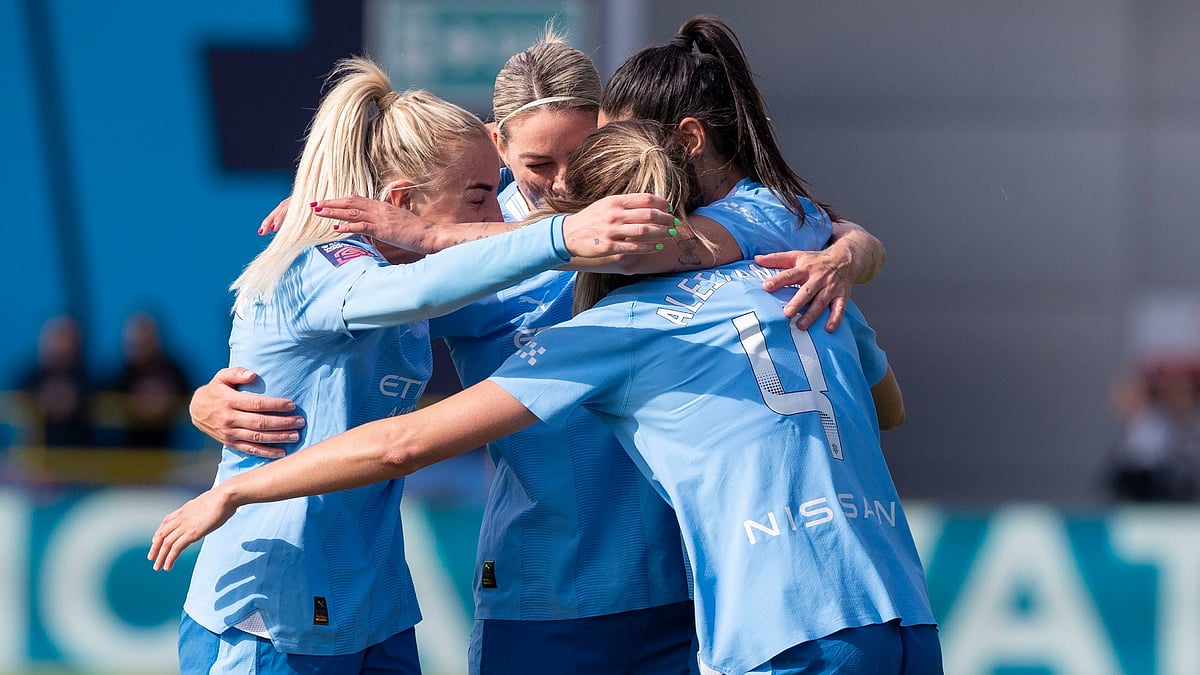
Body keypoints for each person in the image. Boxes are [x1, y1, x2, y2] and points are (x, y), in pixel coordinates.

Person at [191, 19, 891, 673]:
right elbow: (342, 345)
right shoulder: (459, 246)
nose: (562, 184)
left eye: (581, 156)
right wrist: (212, 399)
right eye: (537, 163)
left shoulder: (657, 218)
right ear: (498, 146)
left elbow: (807, 221)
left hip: (683, 583)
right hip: (543, 590)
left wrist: (852, 250)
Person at [173, 55, 672, 675]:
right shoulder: (355, 272)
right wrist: (204, 401)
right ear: (400, 203)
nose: (557, 186)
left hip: (376, 602)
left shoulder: (643, 219)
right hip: (278, 598)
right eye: (491, 191)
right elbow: (405, 295)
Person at [109, 311, 191, 449]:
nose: (139, 341)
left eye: (144, 339)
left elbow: (192, 399)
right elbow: (105, 403)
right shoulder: (119, 374)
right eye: (135, 340)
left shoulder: (173, 371)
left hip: (170, 452)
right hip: (124, 452)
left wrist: (166, 400)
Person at [18, 314, 94, 447]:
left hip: (79, 453)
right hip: (37, 454)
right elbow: (19, 398)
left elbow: (91, 393)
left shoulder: (86, 378)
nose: (59, 344)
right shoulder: (30, 378)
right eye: (55, 336)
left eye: (63, 336)